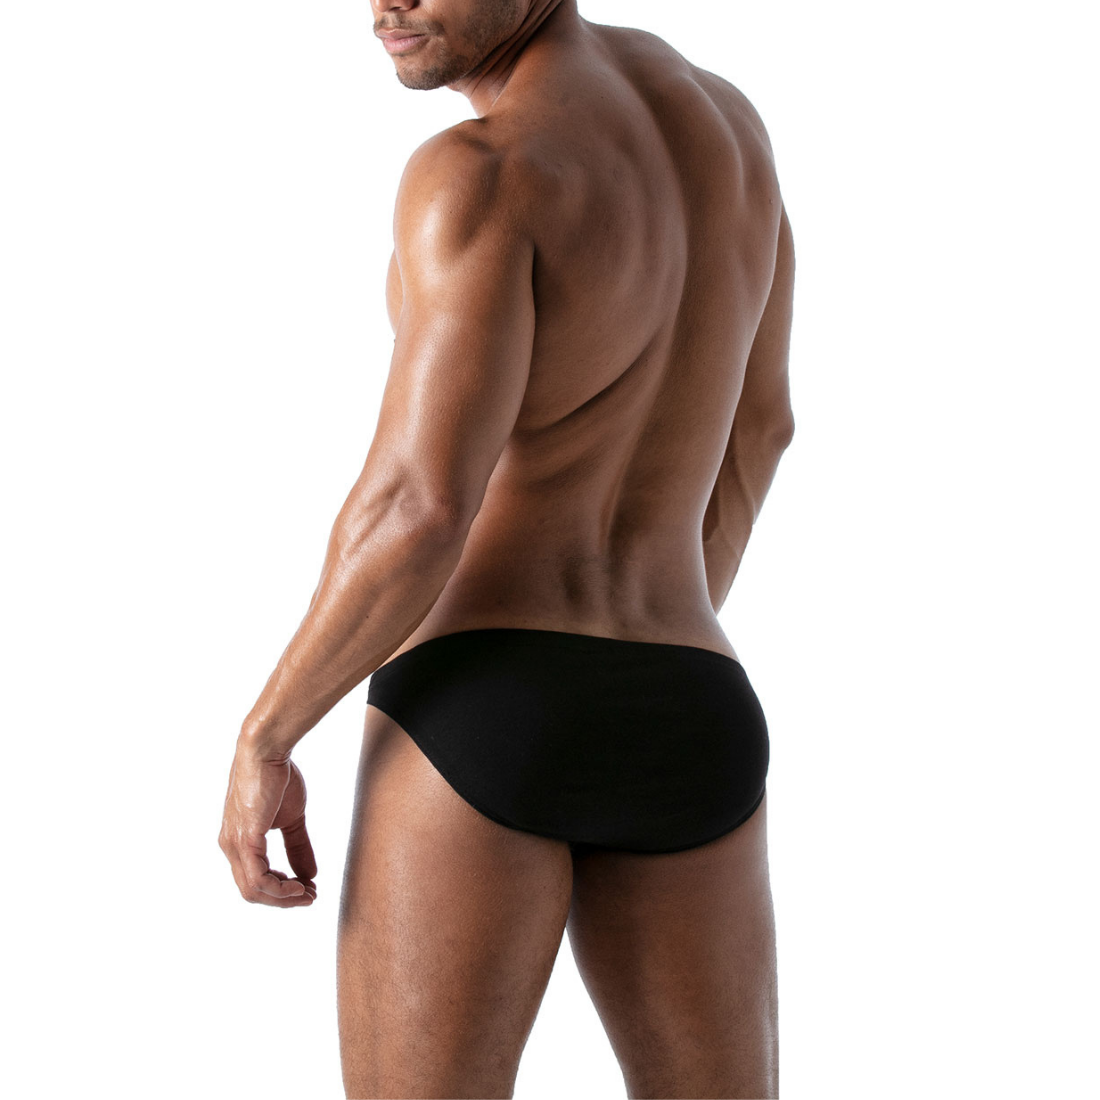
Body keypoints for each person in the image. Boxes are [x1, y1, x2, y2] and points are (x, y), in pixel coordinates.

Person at [218, 0, 796, 1095]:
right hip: (692, 703)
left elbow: (419, 503)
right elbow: (761, 428)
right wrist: (634, 651)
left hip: (481, 707)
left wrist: (268, 732)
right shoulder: (730, 133)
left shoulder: (479, 171)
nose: (386, 2)